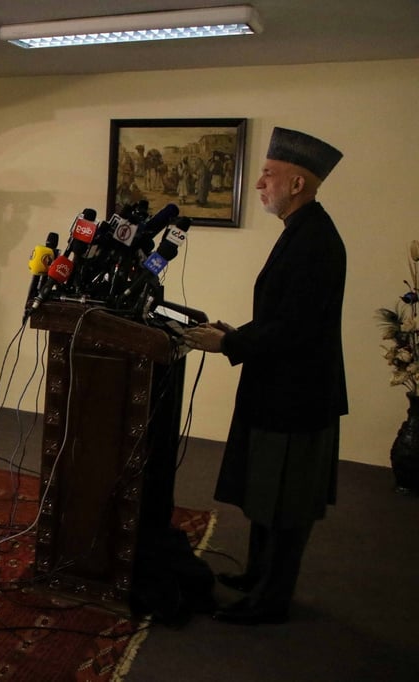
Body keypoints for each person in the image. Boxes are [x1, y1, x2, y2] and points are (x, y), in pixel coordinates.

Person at [183, 127, 346, 625]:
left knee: (286, 502)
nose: (258, 184)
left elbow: (295, 328)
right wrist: (236, 333)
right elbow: (281, 315)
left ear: (297, 183)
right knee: (267, 493)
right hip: (281, 388)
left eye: (269, 174)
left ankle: (270, 601)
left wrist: (229, 344)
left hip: (297, 396)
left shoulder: (315, 240)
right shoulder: (302, 230)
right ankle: (257, 577)